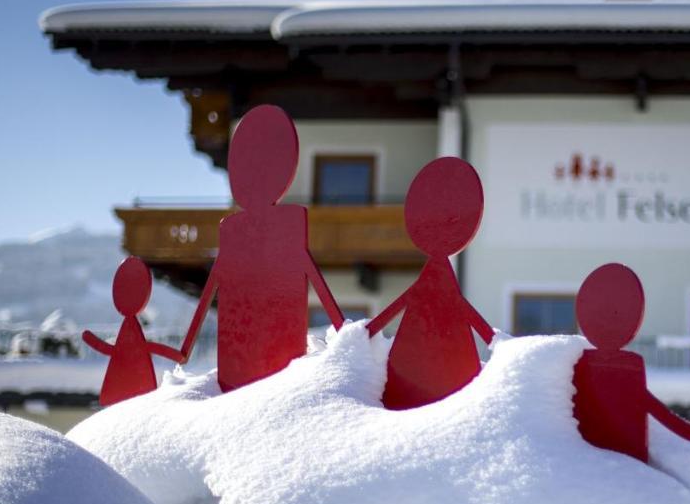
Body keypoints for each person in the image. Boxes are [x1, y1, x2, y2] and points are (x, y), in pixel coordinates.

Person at [179, 105, 343, 391]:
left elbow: (305, 266)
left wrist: (344, 331)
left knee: (272, 380)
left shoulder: (286, 224)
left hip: (275, 341)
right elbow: (216, 280)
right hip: (238, 341)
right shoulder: (233, 229)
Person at [367, 157, 494, 409]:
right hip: (410, 374)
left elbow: (410, 301)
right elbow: (415, 300)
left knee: (453, 398)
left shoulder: (439, 281)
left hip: (446, 376)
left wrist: (497, 343)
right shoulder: (434, 280)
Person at [571, 263, 690, 462]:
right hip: (626, 457)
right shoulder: (628, 366)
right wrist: (685, 430)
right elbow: (647, 402)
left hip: (590, 457)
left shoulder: (582, 363)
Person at [83, 257, 185, 406]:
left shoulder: (132, 331)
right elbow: (147, 347)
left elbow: (114, 350)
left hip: (130, 389)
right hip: (128, 388)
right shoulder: (130, 330)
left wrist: (92, 341)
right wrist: (176, 355)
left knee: (131, 403)